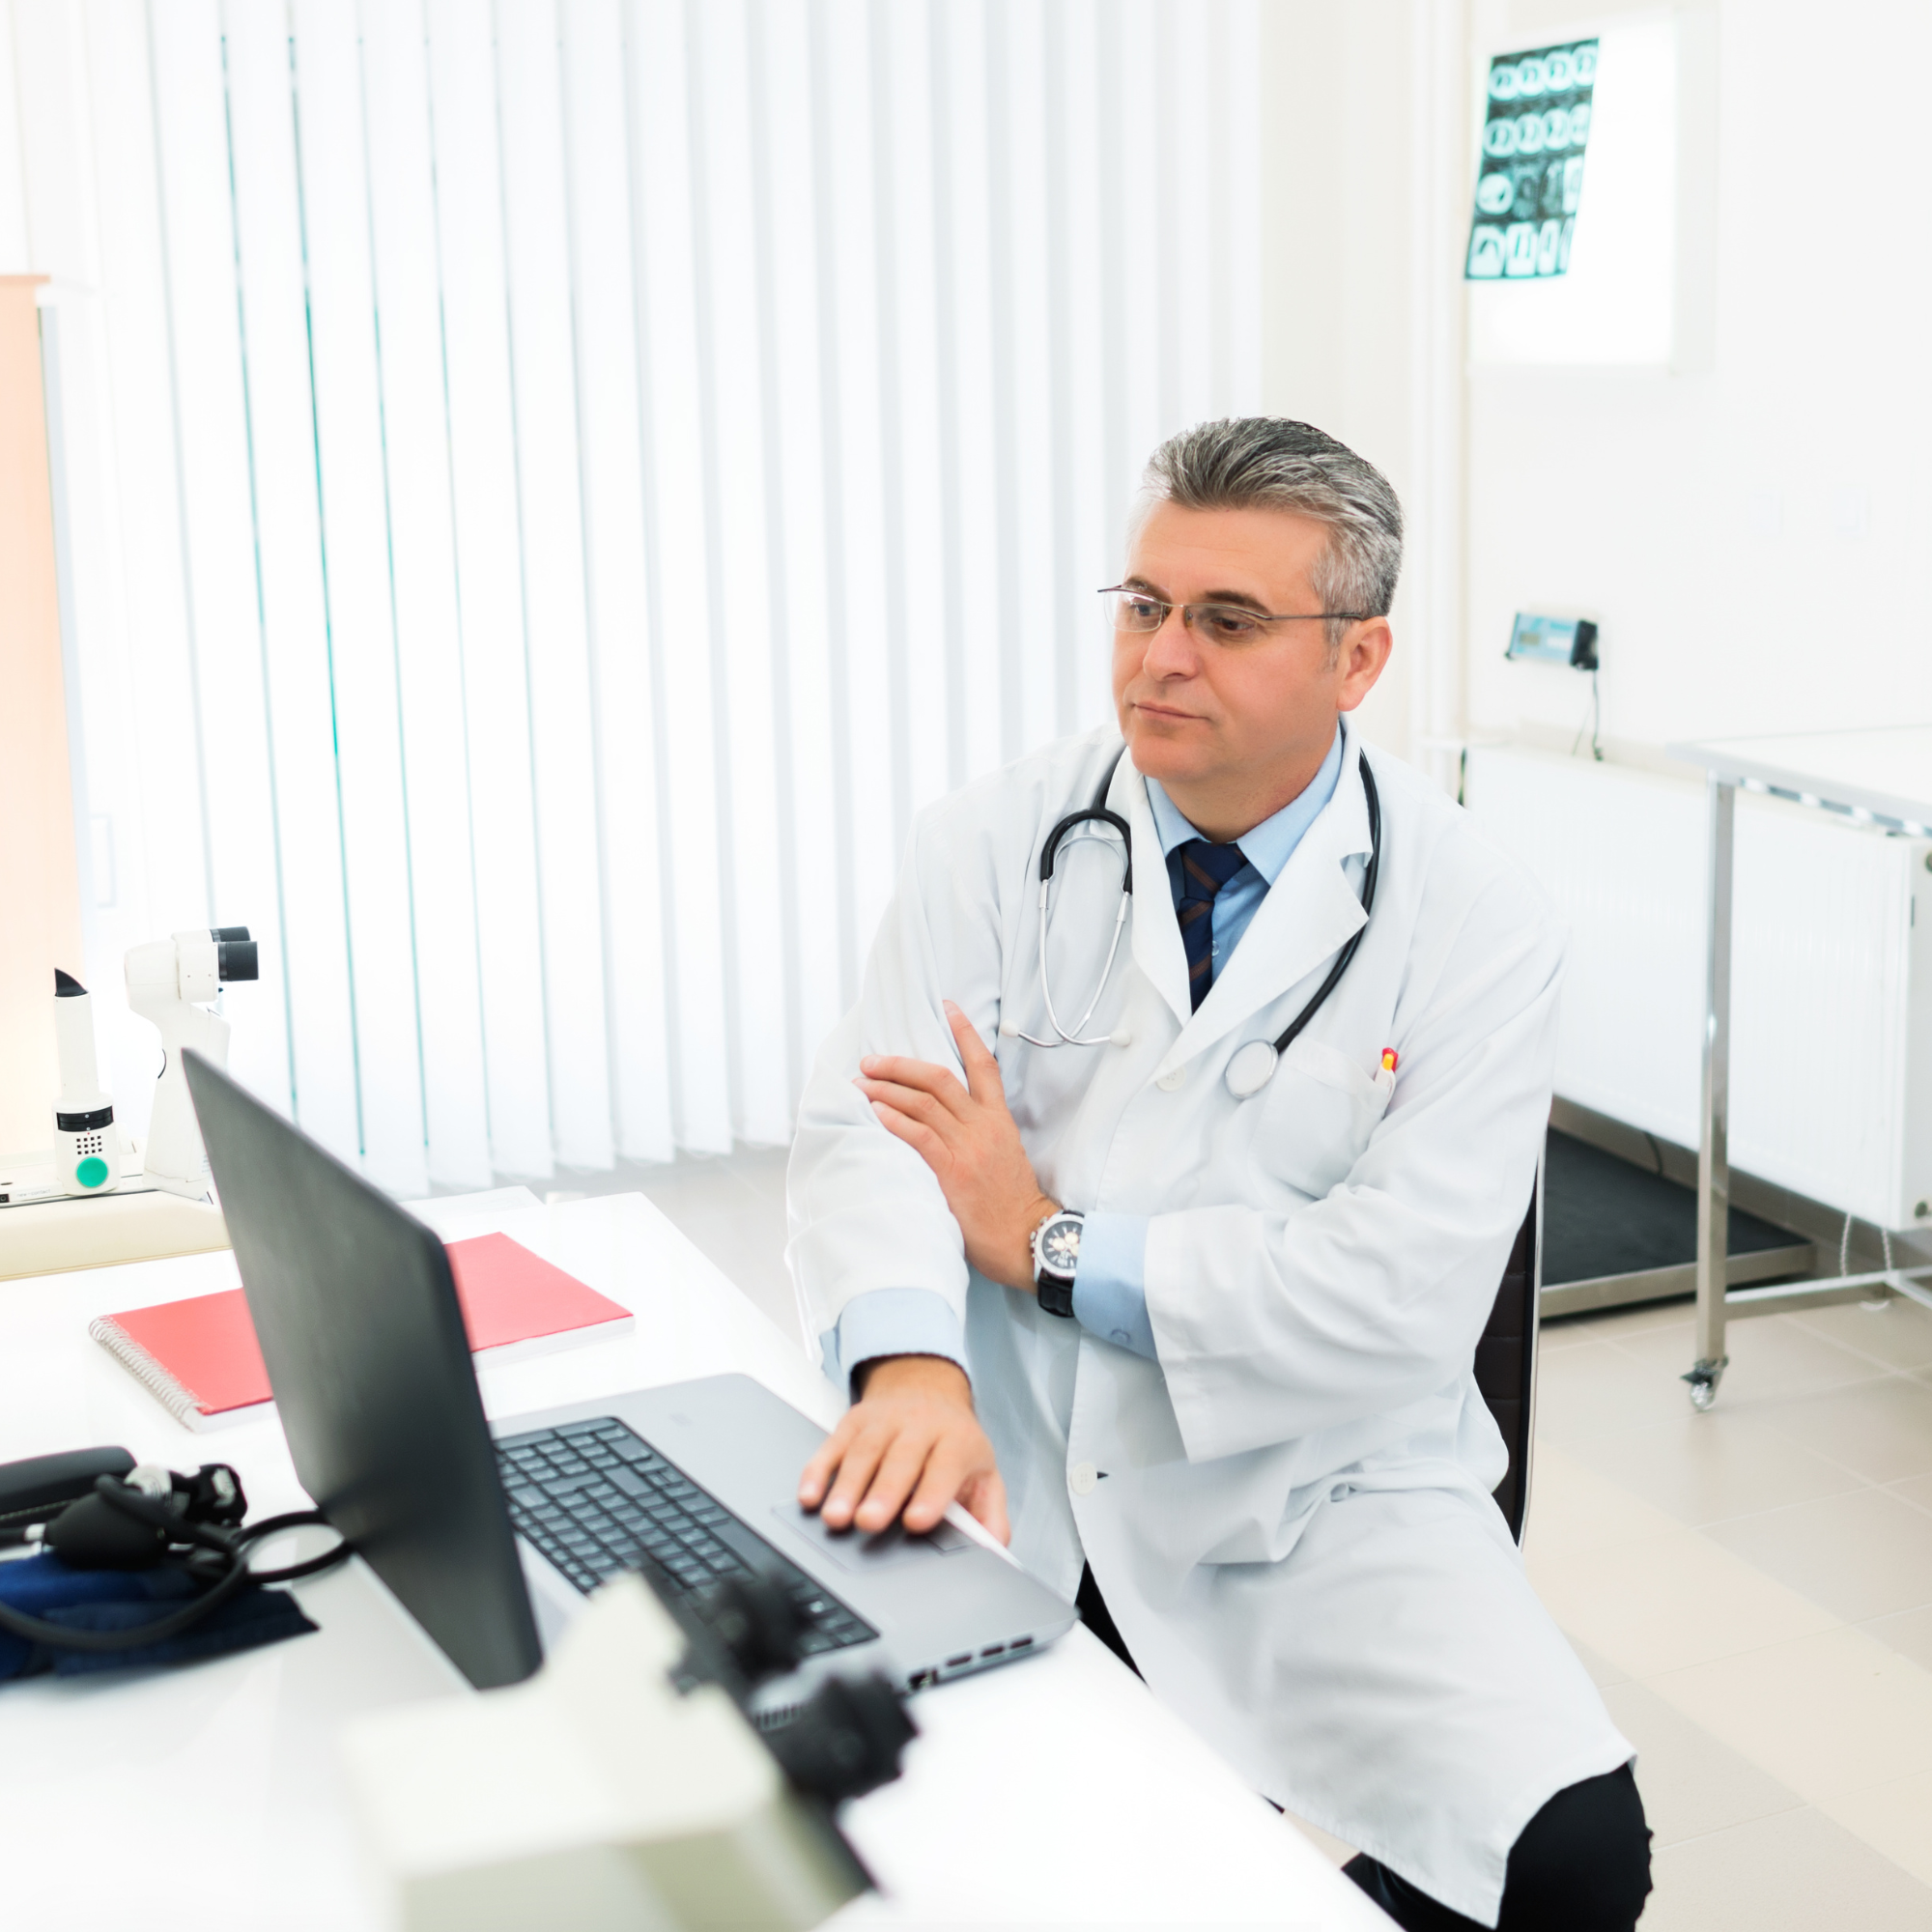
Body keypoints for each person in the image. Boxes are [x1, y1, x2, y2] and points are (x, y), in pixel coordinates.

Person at [784, 417, 1651, 1931]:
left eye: (1226, 620)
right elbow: (874, 1126)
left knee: (1565, 1856)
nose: (1160, 657)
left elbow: (1400, 1298)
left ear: (1356, 661)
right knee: (922, 1839)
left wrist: (1046, 1241)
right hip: (1016, 1443)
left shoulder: (1478, 922)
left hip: (1311, 1490)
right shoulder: (995, 841)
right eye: (1142, 606)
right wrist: (912, 1365)